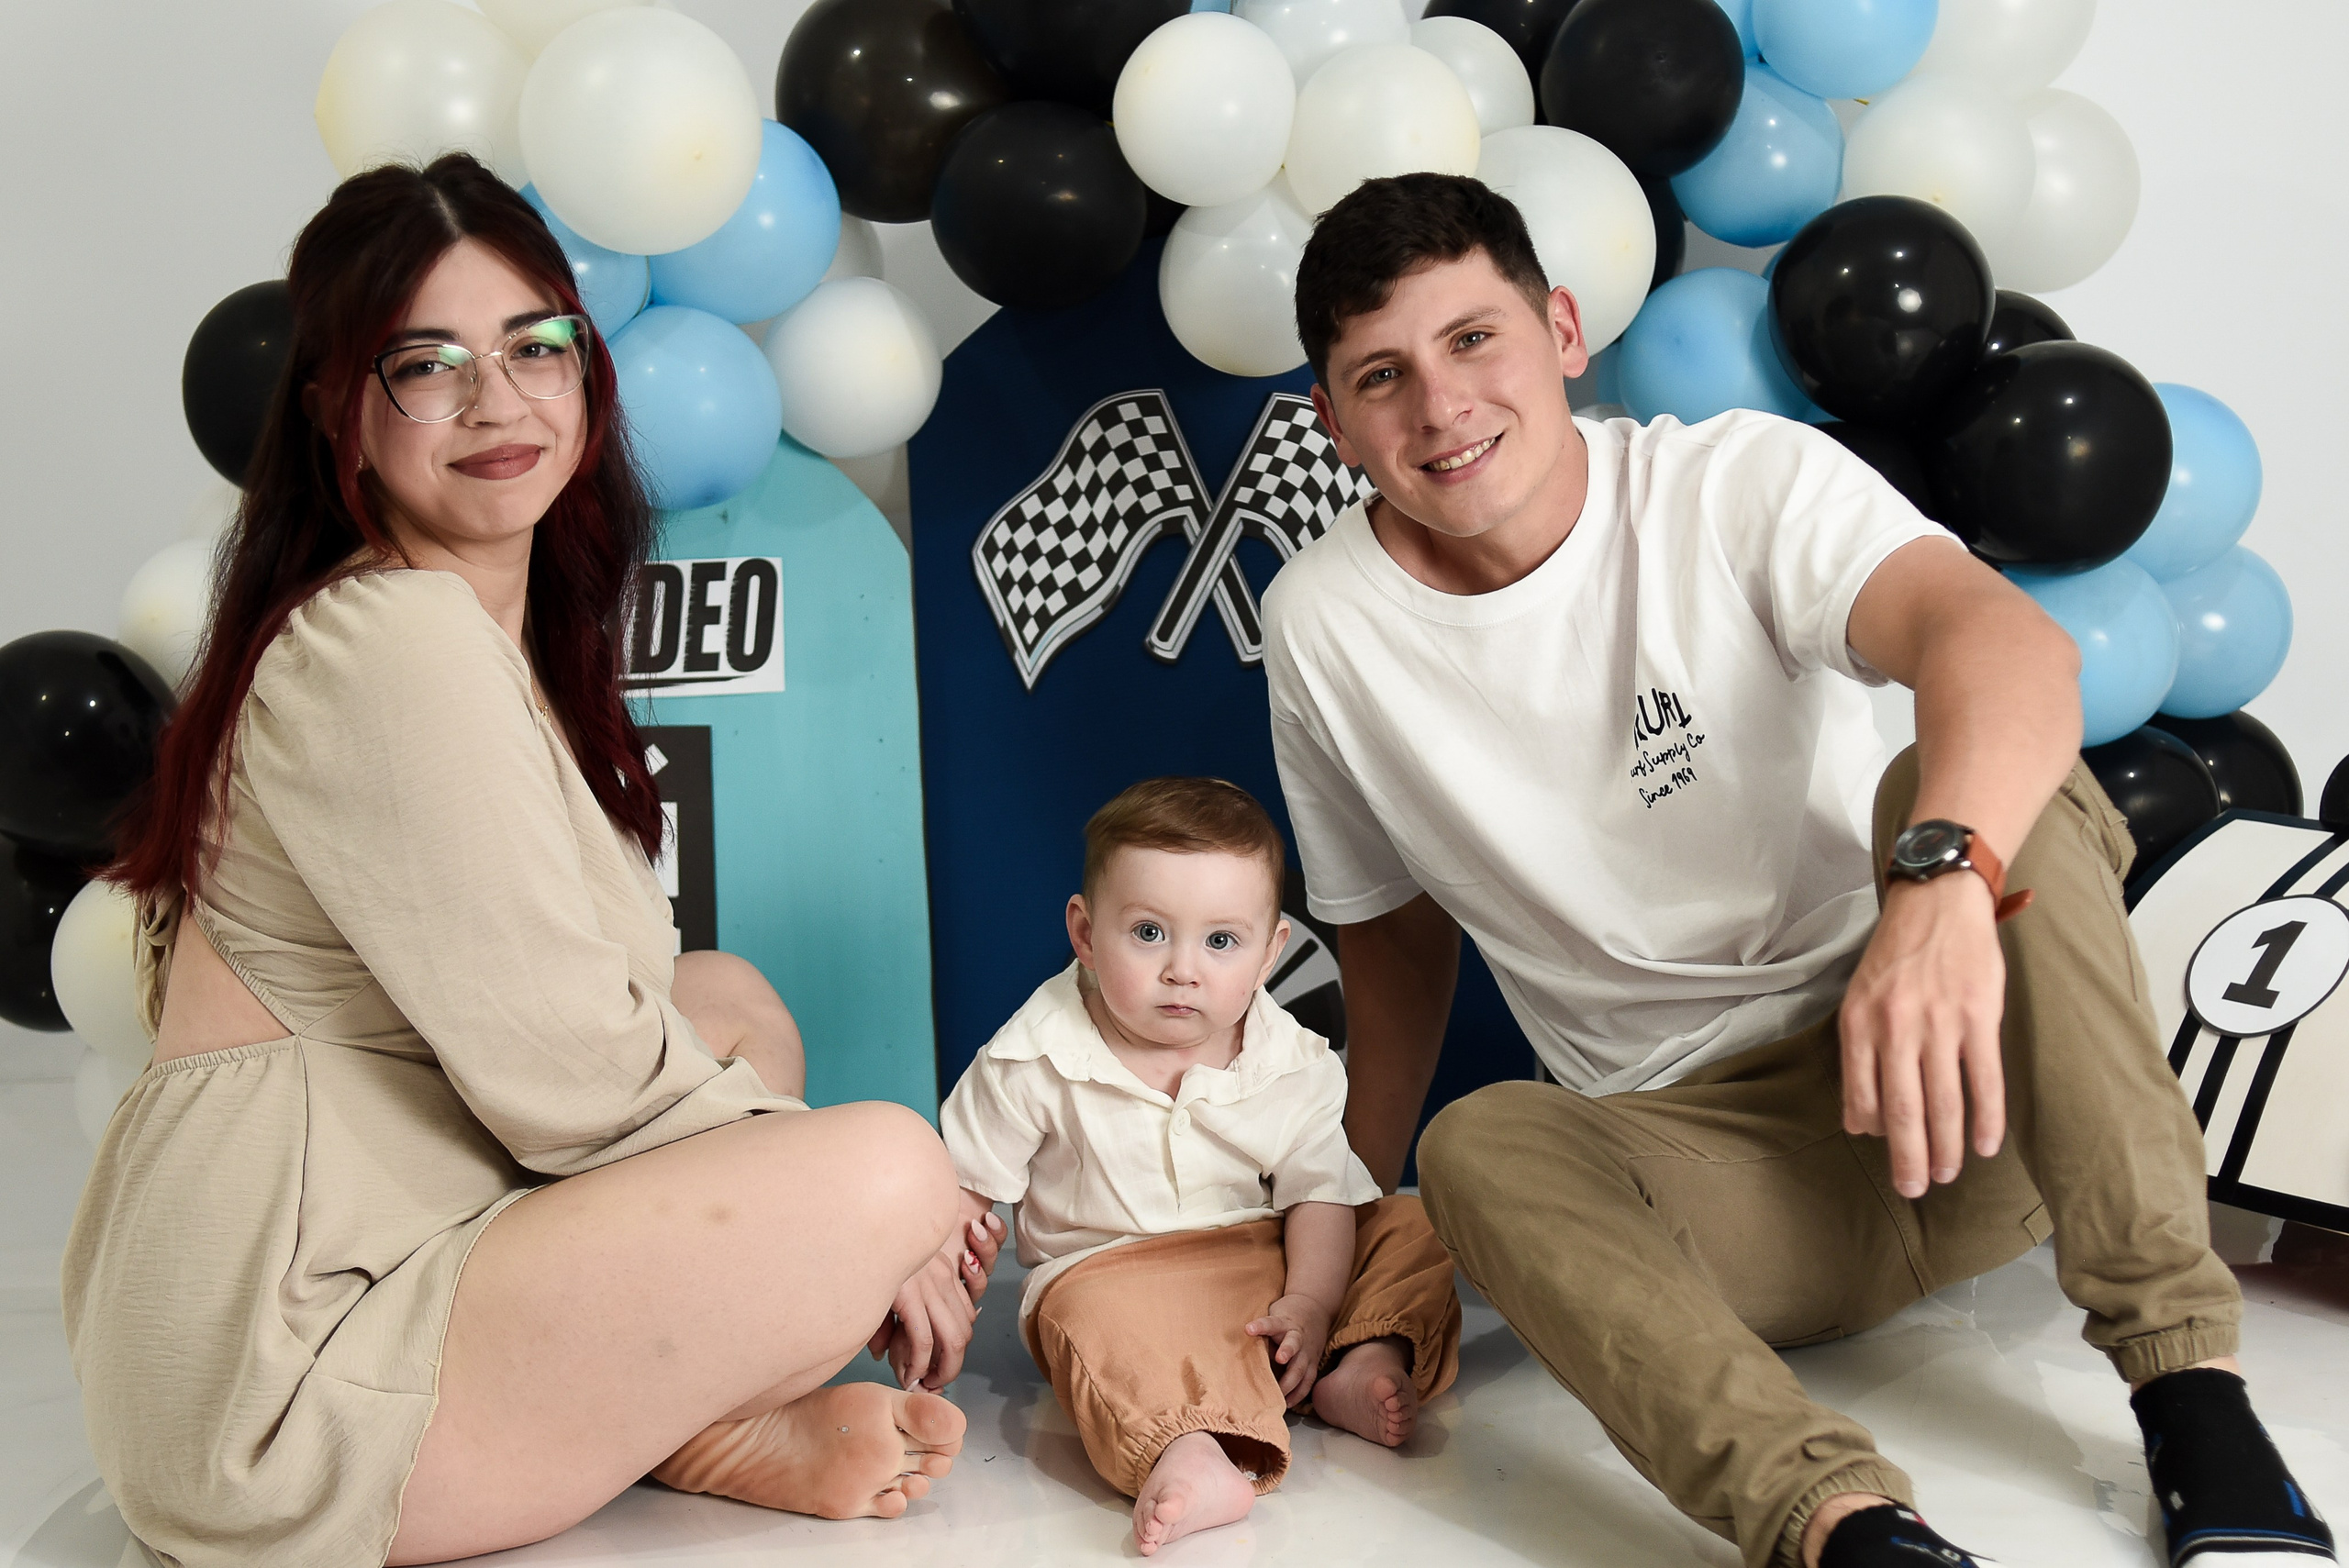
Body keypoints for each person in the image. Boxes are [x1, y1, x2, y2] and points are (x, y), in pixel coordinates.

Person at [1262, 172, 2333, 1568]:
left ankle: (2194, 1395)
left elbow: (2006, 646)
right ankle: (1842, 1529)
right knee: (1482, 1144)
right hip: (1725, 1192)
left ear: (1564, 330)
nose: (1441, 407)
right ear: (1337, 427)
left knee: (1971, 788)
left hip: (1964, 1088)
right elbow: (1393, 948)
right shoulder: (1323, 625)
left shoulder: (1731, 483)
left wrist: (1942, 890)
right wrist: (1340, 1224)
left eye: (1475, 339)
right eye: (1382, 376)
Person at [62, 154, 998, 1568]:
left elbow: (607, 1025)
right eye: (426, 366)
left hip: (402, 1229)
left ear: (585, 372)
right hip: (283, 1378)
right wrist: (892, 1228)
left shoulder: (477, 640)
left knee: (727, 997)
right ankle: (693, 1416)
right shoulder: (394, 640)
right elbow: (572, 1074)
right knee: (889, 1170)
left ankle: (683, 1419)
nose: (500, 403)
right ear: (342, 414)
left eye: (535, 348)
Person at [924, 777, 1462, 1556]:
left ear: (1271, 951)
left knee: (1410, 1222)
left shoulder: (1293, 1058)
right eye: (1148, 933)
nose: (1183, 968)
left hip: (1268, 1268)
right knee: (1082, 1320)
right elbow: (962, 1193)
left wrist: (1311, 1302)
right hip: (1117, 1277)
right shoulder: (1032, 1055)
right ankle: (1188, 1447)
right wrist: (939, 1284)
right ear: (1084, 932)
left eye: (1220, 942)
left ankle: (1357, 1354)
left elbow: (1316, 1193)